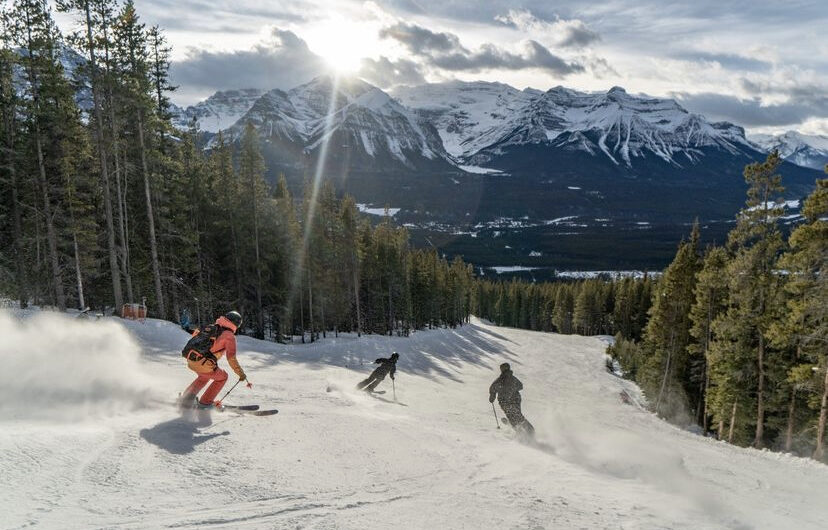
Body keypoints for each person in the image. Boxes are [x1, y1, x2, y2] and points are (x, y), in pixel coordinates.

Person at [179, 310, 249, 409]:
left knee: (204, 377)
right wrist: (240, 373)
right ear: (236, 324)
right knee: (223, 377)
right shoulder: (229, 336)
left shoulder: (210, 327)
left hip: (191, 359)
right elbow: (231, 358)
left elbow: (194, 339)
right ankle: (205, 403)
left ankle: (186, 399)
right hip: (203, 363)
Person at [489, 362, 534, 436]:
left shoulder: (500, 380)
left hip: (505, 401)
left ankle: (520, 429)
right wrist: (512, 389)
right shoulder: (512, 378)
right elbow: (520, 386)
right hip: (514, 399)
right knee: (517, 414)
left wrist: (492, 396)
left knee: (512, 414)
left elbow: (492, 388)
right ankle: (527, 428)